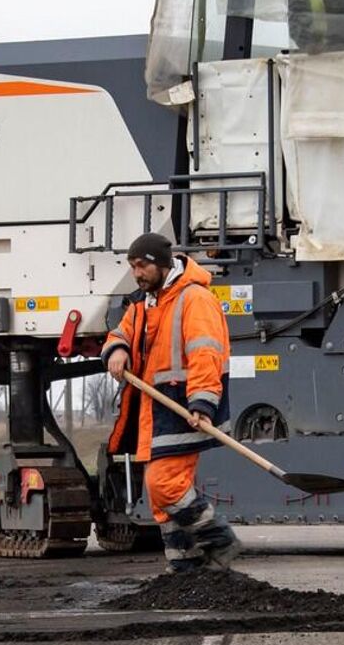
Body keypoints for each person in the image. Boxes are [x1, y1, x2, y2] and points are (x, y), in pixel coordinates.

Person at [103, 232, 241, 572]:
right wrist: (117, 349)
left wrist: (203, 402)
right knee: (162, 494)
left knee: (163, 482)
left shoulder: (195, 298)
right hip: (154, 408)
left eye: (143, 265)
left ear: (163, 264)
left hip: (184, 405)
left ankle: (218, 538)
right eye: (133, 266)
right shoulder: (144, 303)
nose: (137, 273)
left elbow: (206, 352)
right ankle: (185, 566)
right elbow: (120, 333)